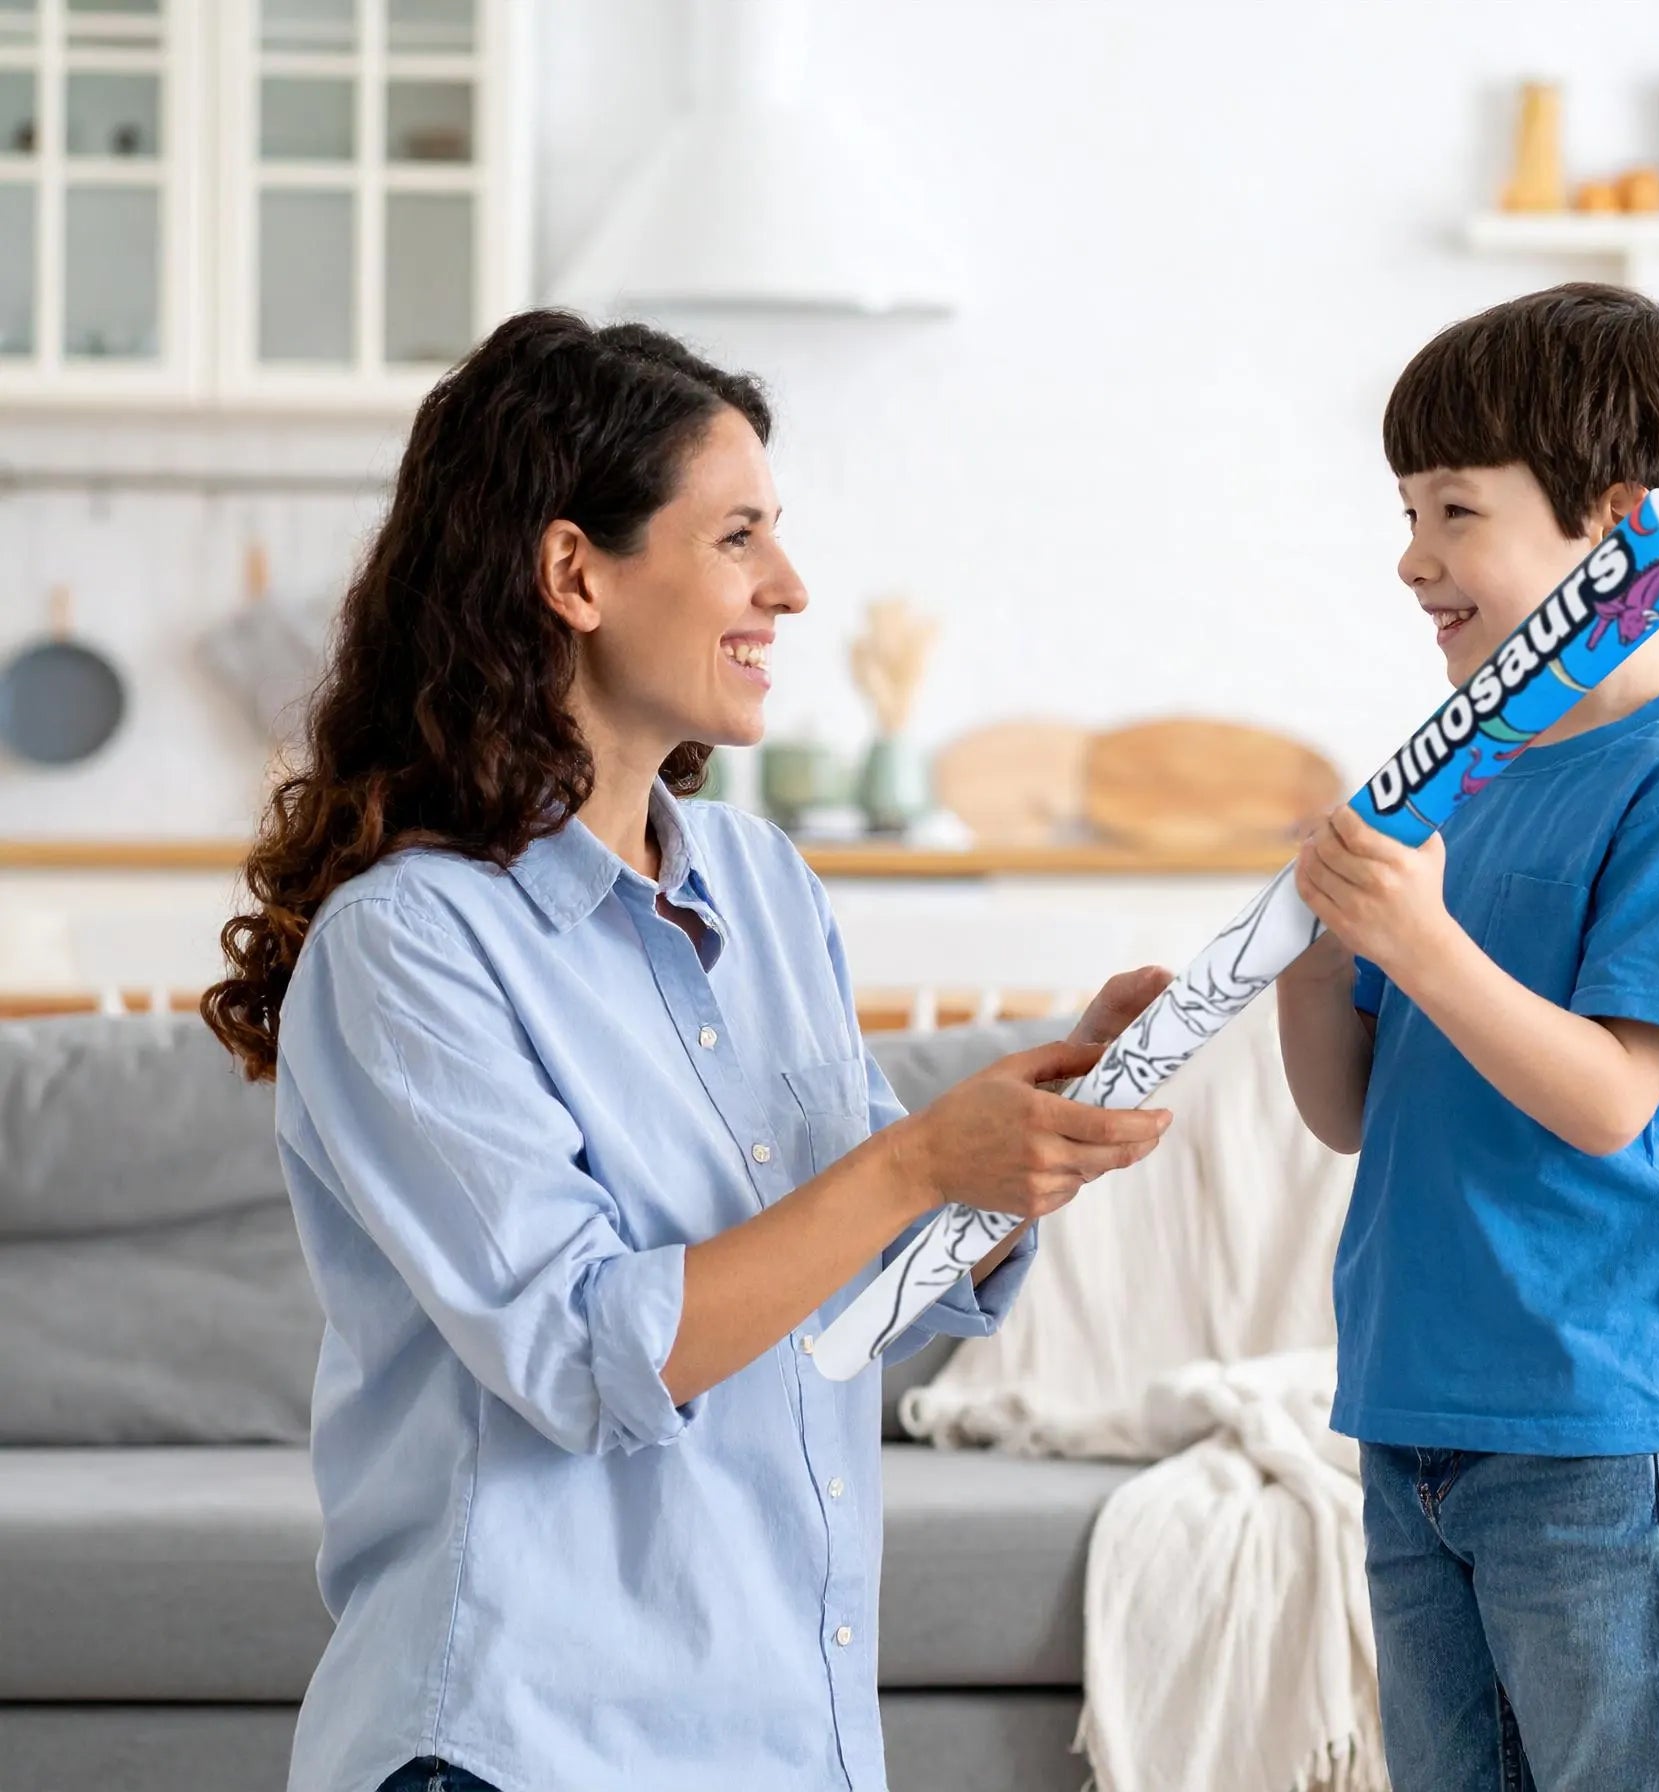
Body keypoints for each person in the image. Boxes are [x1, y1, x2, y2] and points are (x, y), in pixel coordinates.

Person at [200, 309, 1172, 1792]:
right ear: (575, 571)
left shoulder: (763, 884)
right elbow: (589, 1359)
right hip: (526, 1750)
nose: (788, 587)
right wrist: (919, 1158)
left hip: (783, 1742)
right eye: (737, 538)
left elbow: (855, 1297)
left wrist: (1027, 1146)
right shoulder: (412, 947)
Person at [1274, 282, 1659, 1791]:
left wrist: (1421, 943)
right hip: (1414, 1403)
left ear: (1613, 526)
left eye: (1452, 509)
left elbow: (1612, 1102)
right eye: (1407, 507)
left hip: (1591, 1429)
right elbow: (1350, 1110)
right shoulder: (1466, 788)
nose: (1412, 555)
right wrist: (1318, 961)